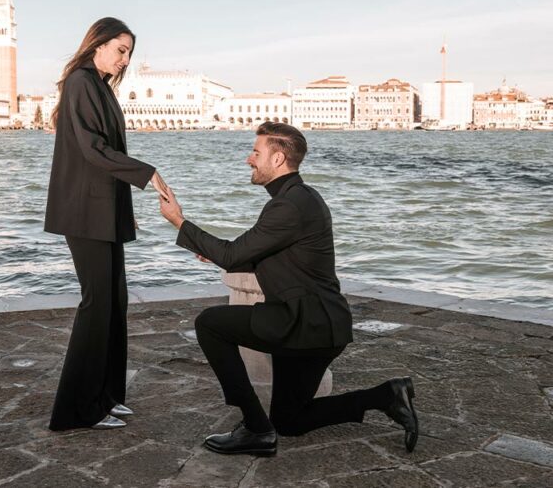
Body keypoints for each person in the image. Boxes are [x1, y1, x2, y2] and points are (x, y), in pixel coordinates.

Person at [158, 122, 418, 456]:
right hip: (320, 325)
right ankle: (386, 396)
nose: (248, 160)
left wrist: (179, 221)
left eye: (255, 152)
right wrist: (220, 255)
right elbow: (268, 256)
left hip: (304, 324)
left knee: (210, 324)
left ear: (278, 158)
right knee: (290, 421)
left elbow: (233, 253)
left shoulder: (288, 205)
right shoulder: (299, 197)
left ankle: (254, 427)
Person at [44, 17, 169, 431]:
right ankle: (78, 409)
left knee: (115, 303)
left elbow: (103, 154)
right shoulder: (81, 82)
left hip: (103, 208)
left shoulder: (98, 85)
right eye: (120, 49)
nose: (125, 59)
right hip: (83, 212)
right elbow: (94, 149)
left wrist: (122, 206)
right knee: (97, 306)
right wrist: (147, 174)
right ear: (97, 44)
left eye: (129, 52)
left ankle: (106, 396)